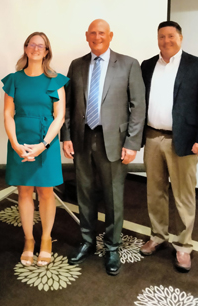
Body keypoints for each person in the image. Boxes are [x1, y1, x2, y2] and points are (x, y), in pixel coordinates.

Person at [61, 19, 145, 275]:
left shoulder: (129, 64)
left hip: (114, 142)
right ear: (87, 36)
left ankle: (112, 248)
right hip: (82, 139)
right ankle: (87, 241)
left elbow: (138, 106)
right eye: (93, 33)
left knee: (113, 197)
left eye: (101, 33)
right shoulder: (76, 65)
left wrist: (132, 142)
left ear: (110, 36)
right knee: (84, 194)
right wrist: (66, 136)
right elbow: (67, 104)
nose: (97, 37)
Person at [140, 21, 198, 272]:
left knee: (183, 195)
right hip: (152, 138)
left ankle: (184, 246)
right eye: (161, 36)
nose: (166, 41)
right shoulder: (148, 65)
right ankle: (158, 236)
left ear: (181, 38)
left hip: (182, 141)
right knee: (155, 191)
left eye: (171, 36)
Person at [2, 32, 68, 266]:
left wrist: (44, 145)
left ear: (47, 50)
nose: (36, 48)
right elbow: (8, 114)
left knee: (46, 193)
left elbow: (59, 116)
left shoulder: (55, 79)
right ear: (26, 48)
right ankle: (29, 240)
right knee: (24, 192)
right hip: (19, 143)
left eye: (41, 45)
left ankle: (47, 239)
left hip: (45, 143)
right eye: (32, 44)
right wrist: (15, 143)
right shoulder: (14, 79)